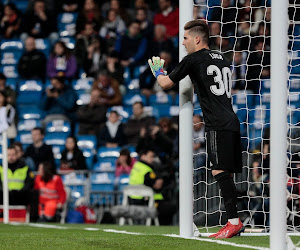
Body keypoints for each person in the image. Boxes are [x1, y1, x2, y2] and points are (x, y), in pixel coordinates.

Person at [148, 20, 244, 238]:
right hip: (231, 119)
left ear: (197, 39)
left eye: (185, 38)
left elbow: (165, 84)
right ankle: (236, 220)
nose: (183, 43)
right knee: (225, 173)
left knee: (219, 171)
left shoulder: (193, 59)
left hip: (217, 123)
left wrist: (158, 71)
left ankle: (234, 221)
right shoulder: (222, 58)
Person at [129, 148, 177, 225]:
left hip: (132, 200)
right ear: (143, 156)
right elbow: (157, 186)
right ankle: (161, 227)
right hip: (145, 201)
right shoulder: (147, 170)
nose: (153, 159)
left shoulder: (136, 166)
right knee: (171, 207)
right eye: (151, 156)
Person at [0, 146, 38, 221]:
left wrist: (21, 190)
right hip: (4, 194)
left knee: (34, 193)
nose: (11, 157)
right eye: (8, 155)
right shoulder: (1, 168)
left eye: (13, 155)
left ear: (17, 155)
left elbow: (29, 183)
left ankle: (33, 219)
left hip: (20, 195)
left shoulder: (25, 168)